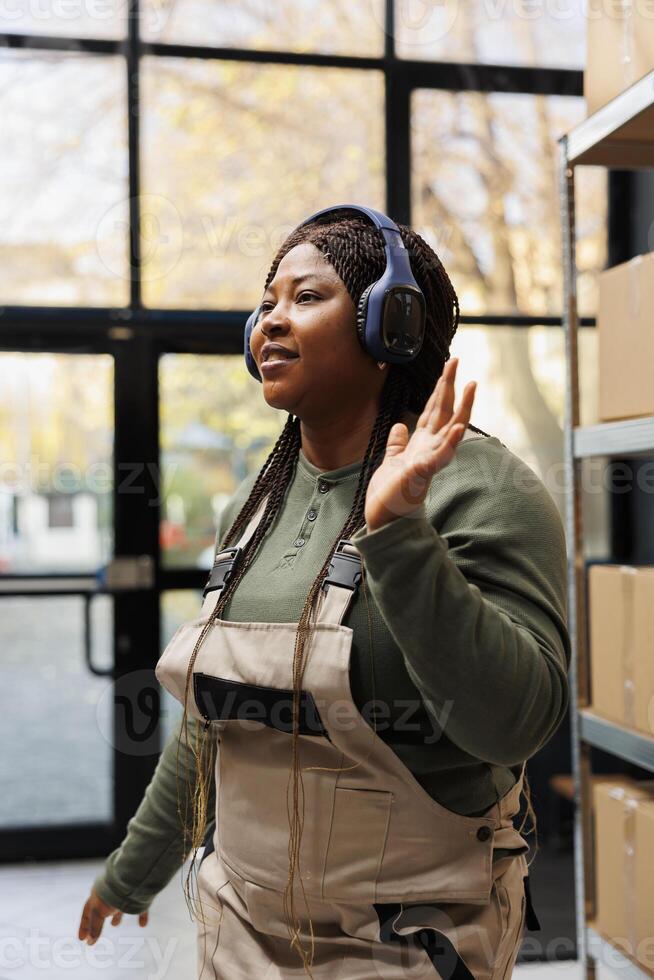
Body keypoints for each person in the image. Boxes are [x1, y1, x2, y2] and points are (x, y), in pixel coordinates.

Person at [79, 210, 569, 979]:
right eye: (266, 301)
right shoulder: (257, 501)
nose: (271, 320)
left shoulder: (487, 490)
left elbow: (515, 722)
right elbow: (214, 722)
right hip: (238, 931)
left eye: (305, 296)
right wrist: (133, 872)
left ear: (391, 328)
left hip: (407, 943)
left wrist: (402, 532)